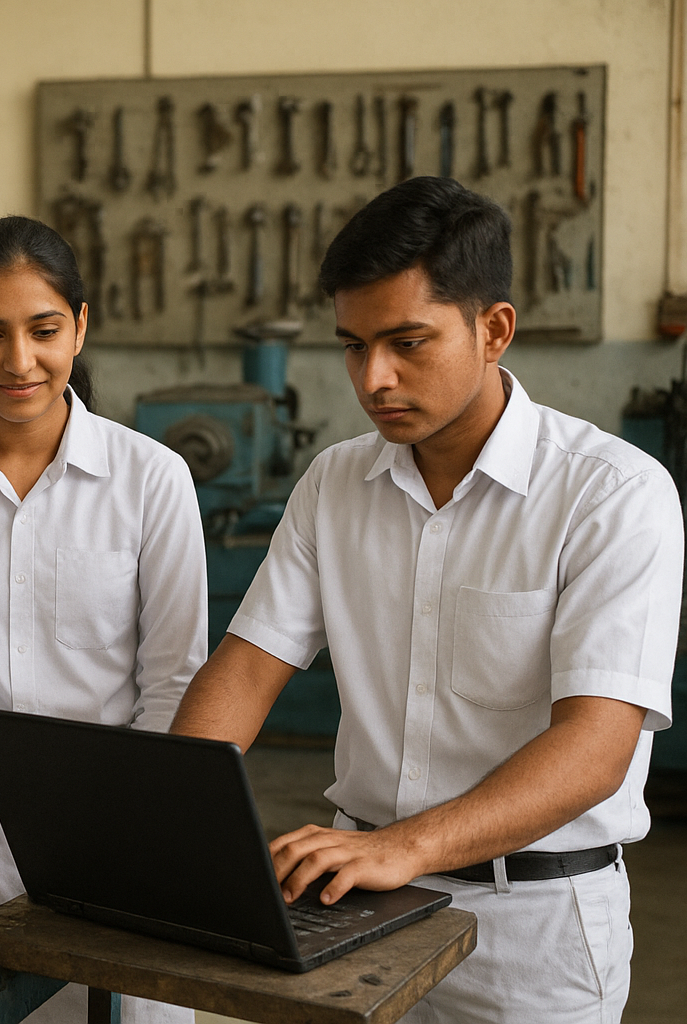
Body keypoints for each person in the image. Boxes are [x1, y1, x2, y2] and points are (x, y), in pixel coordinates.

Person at [171, 177, 680, 1024]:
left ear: (495, 329)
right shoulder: (337, 481)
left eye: (408, 341)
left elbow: (596, 749)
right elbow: (248, 670)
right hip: (350, 912)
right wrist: (166, 816)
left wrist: (401, 848)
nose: (374, 378)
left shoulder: (611, 494)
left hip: (530, 936)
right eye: (353, 345)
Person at [0, 216, 206, 1022]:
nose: (19, 361)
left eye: (42, 330)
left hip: (123, 853)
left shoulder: (152, 480)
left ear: (80, 325)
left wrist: (136, 842)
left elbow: (174, 683)